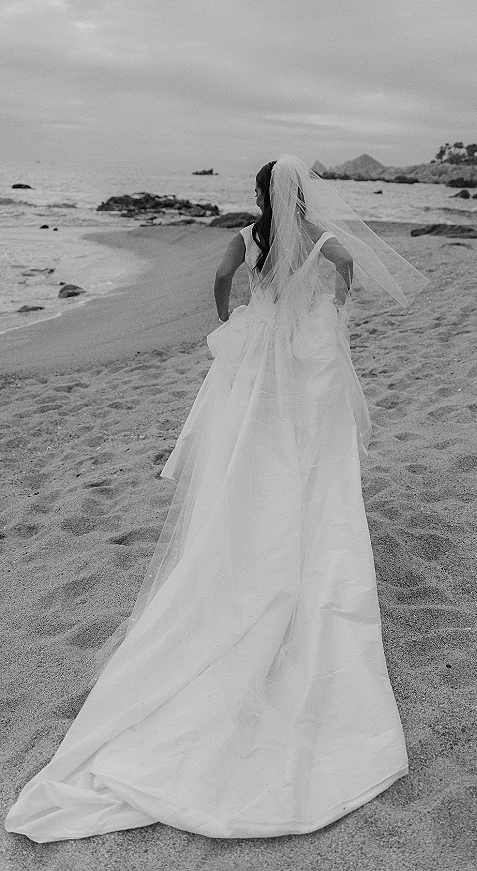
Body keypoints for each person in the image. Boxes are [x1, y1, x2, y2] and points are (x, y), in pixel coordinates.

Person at [5, 155, 429, 842]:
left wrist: (233, 316)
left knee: (249, 450)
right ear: (303, 194)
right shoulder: (321, 239)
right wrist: (329, 309)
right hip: (304, 356)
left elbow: (219, 279)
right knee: (306, 455)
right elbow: (348, 270)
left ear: (263, 193)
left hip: (259, 350)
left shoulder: (249, 237)